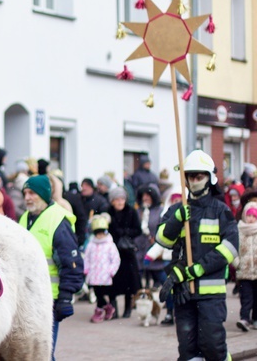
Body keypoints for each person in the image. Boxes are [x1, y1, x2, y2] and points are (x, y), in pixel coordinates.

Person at [157, 150, 239, 361]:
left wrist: (198, 269)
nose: (194, 180)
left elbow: (230, 247)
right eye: (191, 176)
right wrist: (176, 219)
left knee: (212, 345)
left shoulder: (221, 211)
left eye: (199, 176)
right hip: (184, 292)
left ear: (210, 179)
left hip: (211, 294)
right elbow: (162, 240)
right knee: (187, 348)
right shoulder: (177, 210)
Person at [19, 175, 83, 359]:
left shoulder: (57, 220)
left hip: (49, 299)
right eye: (25, 193)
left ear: (45, 194)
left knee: (42, 353)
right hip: (27, 296)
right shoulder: (25, 218)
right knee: (33, 353)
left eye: (32, 193)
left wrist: (65, 297)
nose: (27, 198)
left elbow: (71, 262)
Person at [107, 186, 142, 319]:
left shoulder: (131, 211)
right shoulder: (108, 213)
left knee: (129, 283)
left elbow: (137, 230)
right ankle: (113, 309)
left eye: (122, 199)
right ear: (112, 201)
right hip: (112, 251)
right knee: (113, 282)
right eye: (117, 199)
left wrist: (125, 233)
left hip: (127, 252)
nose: (120, 202)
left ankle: (128, 309)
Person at [84, 213, 121, 323]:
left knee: (104, 293)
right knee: (98, 294)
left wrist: (111, 271)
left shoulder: (110, 245)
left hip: (105, 275)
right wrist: (86, 269)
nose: (100, 236)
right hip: (94, 274)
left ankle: (99, 311)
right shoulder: (91, 244)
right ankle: (107, 308)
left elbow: (115, 259)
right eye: (97, 233)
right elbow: (87, 258)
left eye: (101, 233)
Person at [235, 198, 257, 331]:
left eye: (254, 216)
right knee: (246, 297)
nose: (251, 218)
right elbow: (233, 249)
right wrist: (237, 263)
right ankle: (244, 318)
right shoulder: (239, 230)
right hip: (244, 271)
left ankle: (255, 318)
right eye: (249, 215)